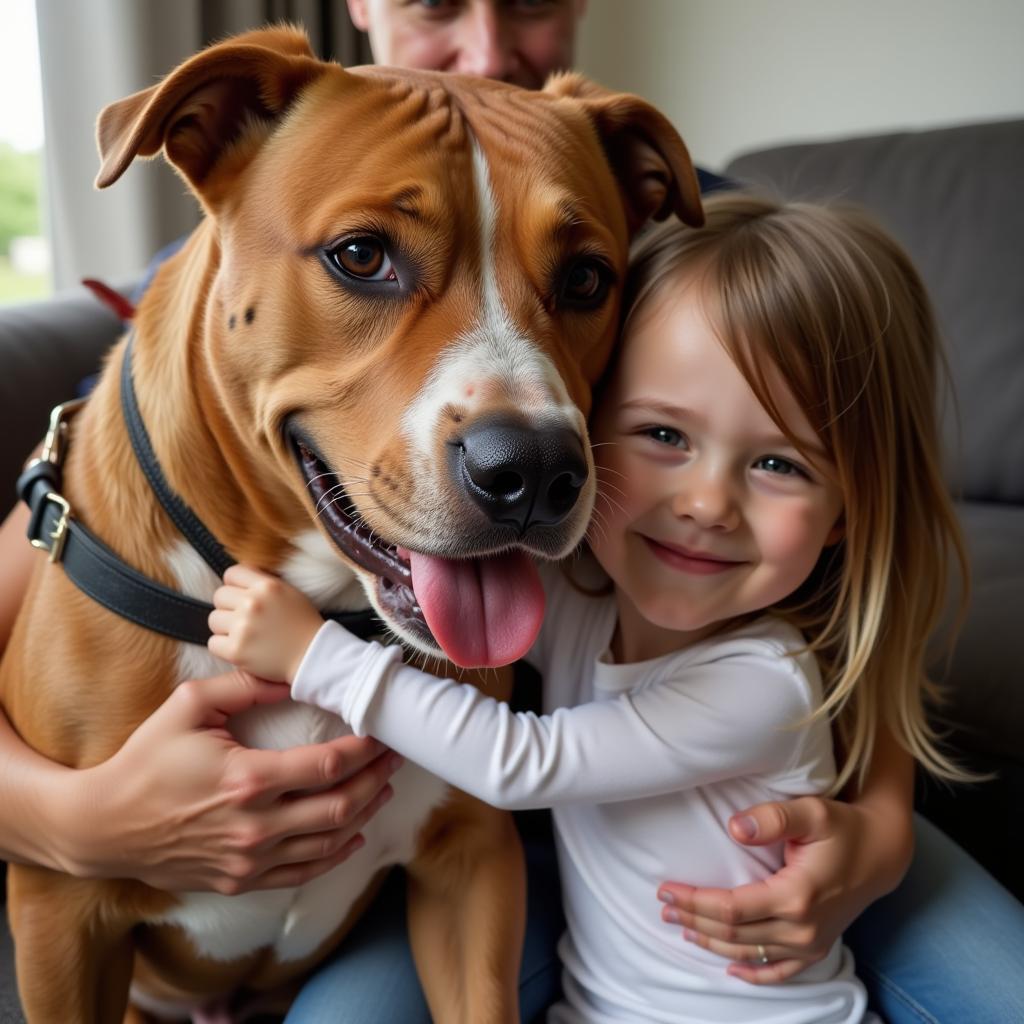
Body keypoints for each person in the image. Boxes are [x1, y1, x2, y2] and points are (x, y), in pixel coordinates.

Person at [2, 3, 1022, 1022]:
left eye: (578, 281)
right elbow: (41, 557)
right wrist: (70, 822)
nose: (490, 48)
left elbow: (858, 562)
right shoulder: (261, 194)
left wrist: (882, 828)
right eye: (366, 256)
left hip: (677, 822)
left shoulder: (684, 223)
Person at [207, 195, 972, 1022]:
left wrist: (319, 657)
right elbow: (483, 613)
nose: (708, 503)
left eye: (780, 465)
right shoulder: (587, 606)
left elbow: (523, 761)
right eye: (666, 437)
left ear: (849, 512)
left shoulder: (763, 686)